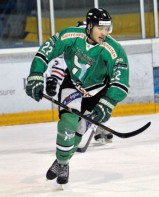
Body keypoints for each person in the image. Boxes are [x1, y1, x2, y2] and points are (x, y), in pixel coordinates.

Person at [25, 8, 129, 185]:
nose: (104, 33)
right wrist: (36, 74)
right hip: (73, 83)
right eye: (100, 28)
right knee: (67, 123)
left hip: (97, 93)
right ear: (89, 26)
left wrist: (109, 101)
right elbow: (45, 52)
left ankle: (61, 162)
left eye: (107, 29)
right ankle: (63, 162)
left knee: (79, 130)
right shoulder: (70, 35)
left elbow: (121, 81)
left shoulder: (113, 50)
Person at [46, 20, 113, 144]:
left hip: (94, 85)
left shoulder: (104, 48)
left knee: (98, 106)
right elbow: (60, 60)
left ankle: (99, 124)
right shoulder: (75, 43)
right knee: (73, 116)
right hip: (77, 84)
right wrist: (54, 78)